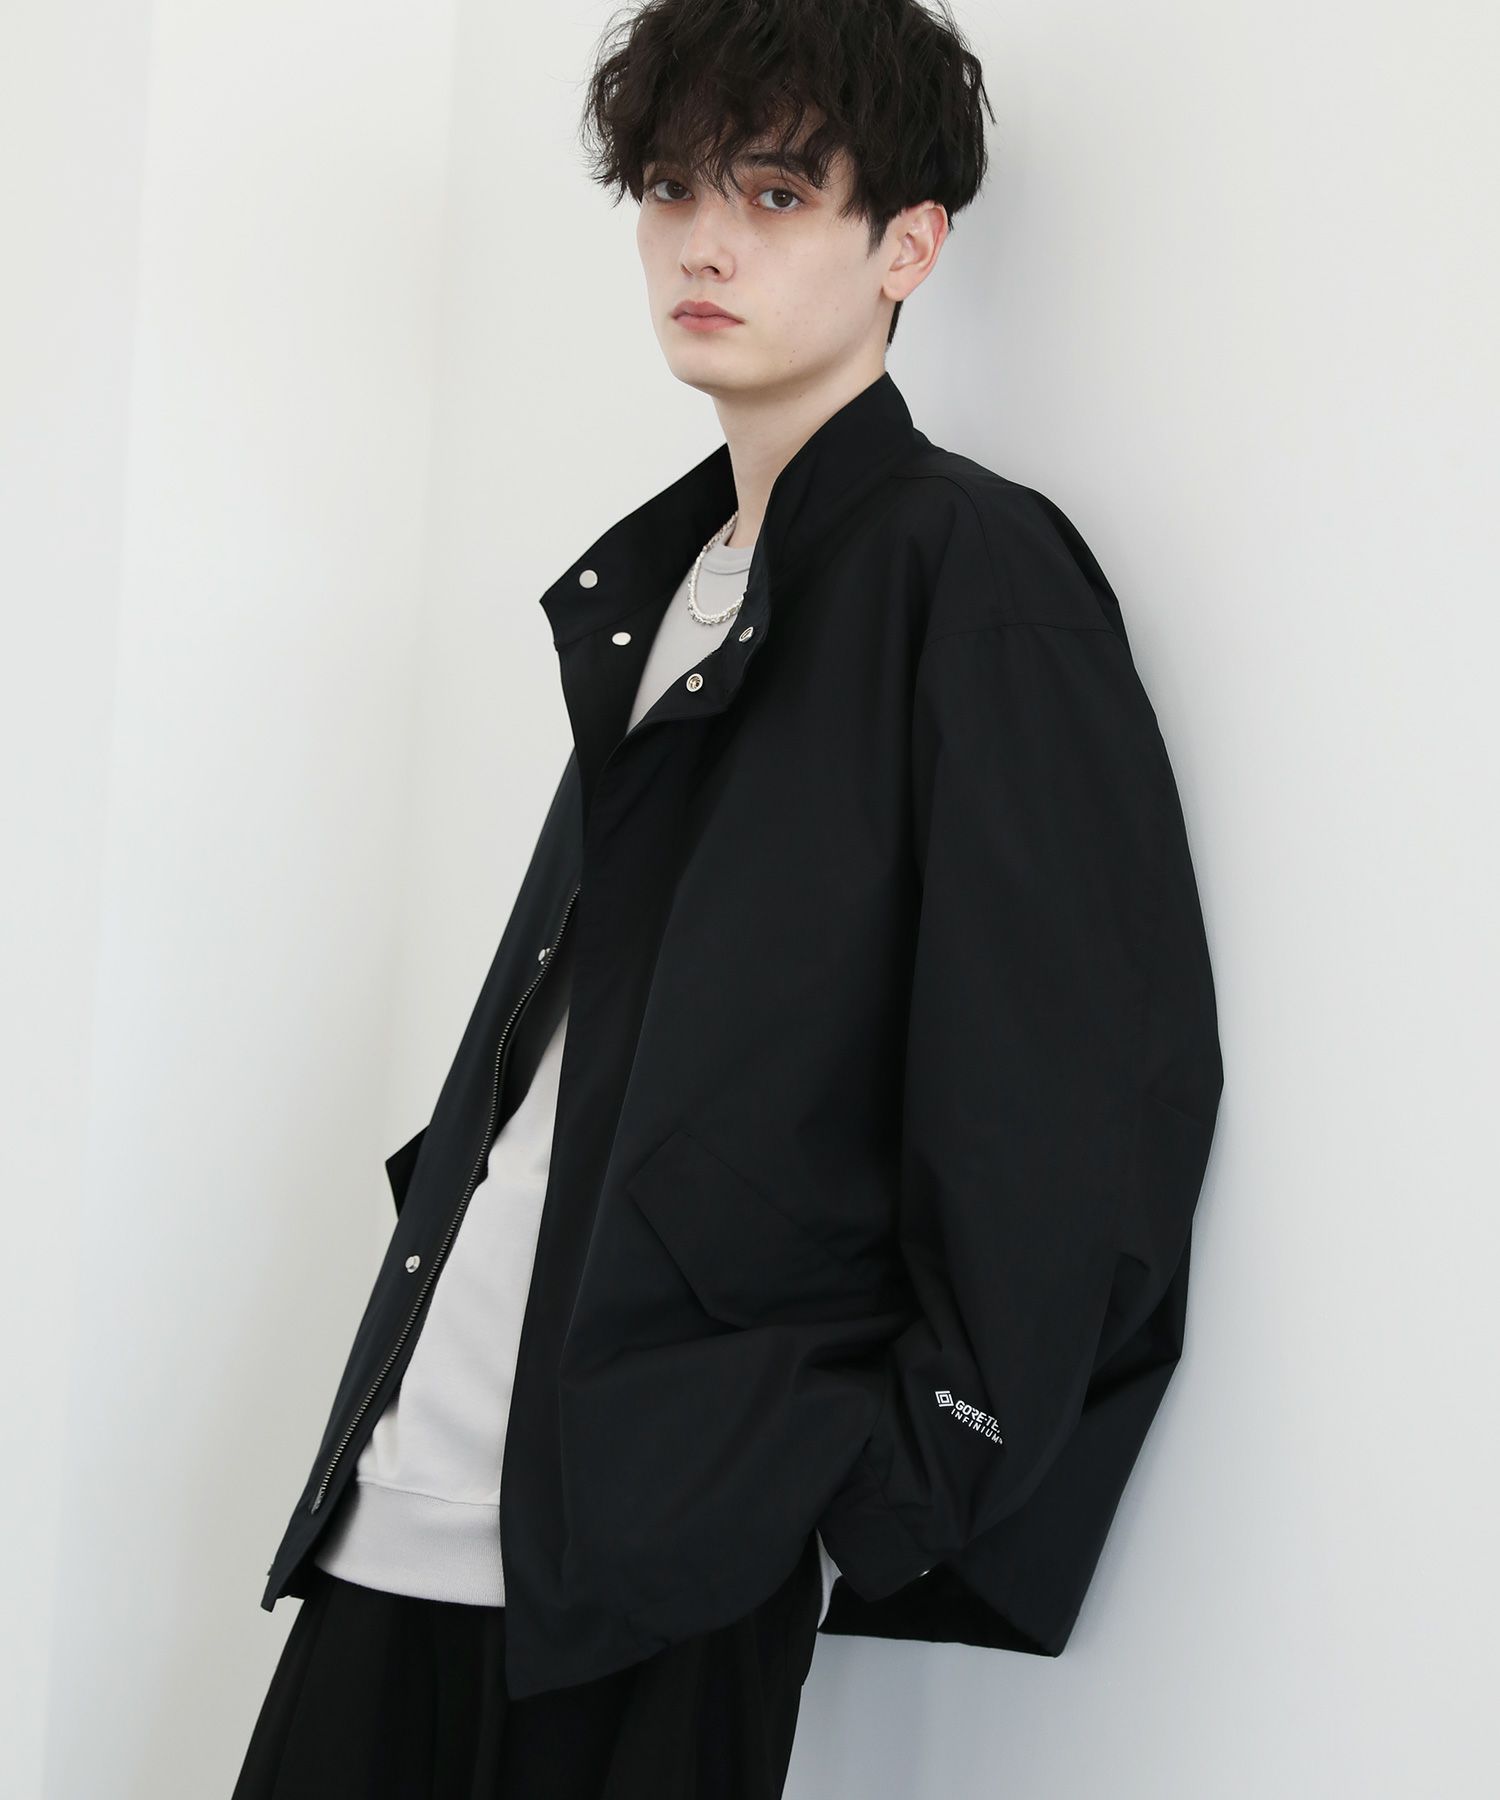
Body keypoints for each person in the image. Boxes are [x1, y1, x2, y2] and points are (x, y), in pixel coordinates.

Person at [235, 2, 1223, 1795]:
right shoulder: (676, 580)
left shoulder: (969, 572)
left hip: (657, 1558)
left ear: (908, 245)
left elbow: (1077, 1091)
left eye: (773, 194)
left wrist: (875, 1496)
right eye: (673, 190)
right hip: (410, 1492)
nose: (703, 242)